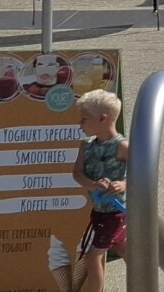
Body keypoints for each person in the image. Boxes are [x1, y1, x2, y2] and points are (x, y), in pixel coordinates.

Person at [59, 88, 129, 292]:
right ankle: (144, 281)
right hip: (99, 210)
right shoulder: (86, 146)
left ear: (102, 119)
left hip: (116, 211)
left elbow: (141, 174)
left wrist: (123, 184)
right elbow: (77, 174)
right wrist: (92, 184)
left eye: (84, 119)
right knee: (123, 248)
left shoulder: (122, 146)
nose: (80, 124)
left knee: (92, 256)